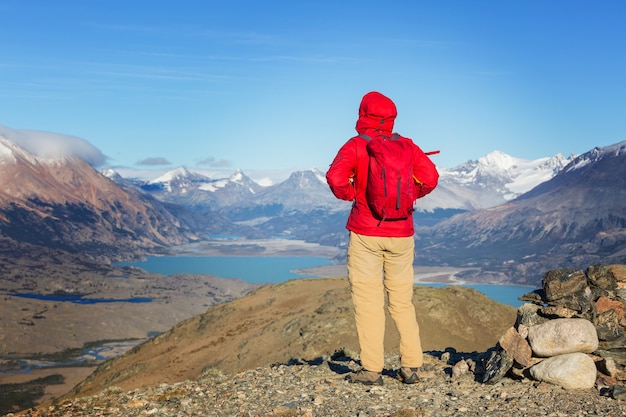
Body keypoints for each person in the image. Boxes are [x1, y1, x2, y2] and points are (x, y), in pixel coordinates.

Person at [326, 91, 439, 385]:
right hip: (402, 234)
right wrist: (410, 197)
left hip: (365, 233)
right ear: (391, 119)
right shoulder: (407, 146)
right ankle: (411, 366)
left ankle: (372, 369)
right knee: (402, 302)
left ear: (362, 114)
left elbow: (336, 179)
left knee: (369, 302)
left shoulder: (355, 146)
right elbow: (430, 178)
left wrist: (355, 197)